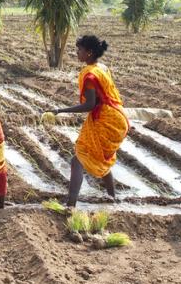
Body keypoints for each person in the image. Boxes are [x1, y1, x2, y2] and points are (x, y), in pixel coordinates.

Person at [49, 35, 129, 208]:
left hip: (106, 120)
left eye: (80, 50)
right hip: (117, 116)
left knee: (78, 159)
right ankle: (112, 198)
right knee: (100, 156)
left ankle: (71, 205)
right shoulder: (102, 68)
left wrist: (61, 111)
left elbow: (90, 105)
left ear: (89, 52)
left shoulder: (90, 76)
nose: (77, 53)